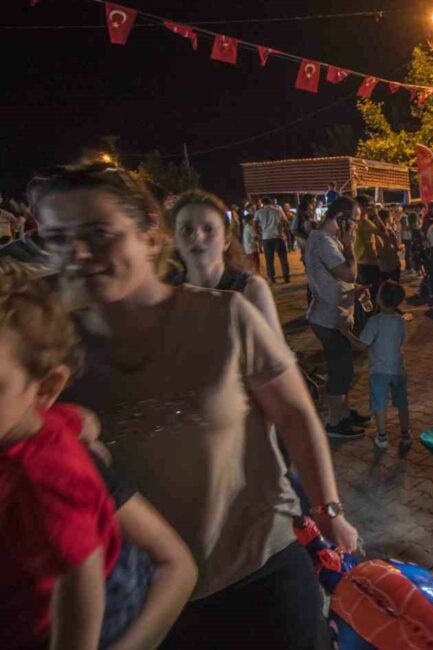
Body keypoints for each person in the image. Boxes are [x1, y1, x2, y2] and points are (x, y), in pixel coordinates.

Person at [31, 164, 360, 649]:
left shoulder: (225, 316)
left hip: (261, 568)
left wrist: (328, 508)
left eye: (99, 234)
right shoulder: (50, 355)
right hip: (152, 598)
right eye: (58, 237)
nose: (78, 254)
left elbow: (294, 414)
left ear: (147, 233)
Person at [0, 262, 196, 650]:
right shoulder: (22, 422)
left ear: (45, 388)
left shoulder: (46, 478)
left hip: (93, 612)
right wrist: (84, 426)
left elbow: (80, 580)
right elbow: (77, 420)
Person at [306, 197, 372, 439]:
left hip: (330, 312)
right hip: (328, 317)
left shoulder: (321, 238)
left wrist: (351, 291)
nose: (355, 227)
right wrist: (350, 246)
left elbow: (334, 281)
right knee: (341, 371)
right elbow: (347, 272)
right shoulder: (325, 242)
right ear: (341, 219)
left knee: (343, 368)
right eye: (353, 221)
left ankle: (343, 413)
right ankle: (334, 421)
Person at [167, 191, 280, 332]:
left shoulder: (250, 290)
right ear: (175, 240)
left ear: (226, 240)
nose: (197, 236)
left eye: (208, 229)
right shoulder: (168, 296)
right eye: (186, 229)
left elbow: (275, 350)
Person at [357, 281, 411, 452]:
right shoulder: (400, 321)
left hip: (379, 371)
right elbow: (402, 340)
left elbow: (361, 344)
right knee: (402, 403)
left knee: (379, 404)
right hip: (397, 368)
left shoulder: (374, 322)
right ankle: (405, 434)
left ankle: (382, 437)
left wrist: (345, 333)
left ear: (379, 299)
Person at [255, 196, 291, 284]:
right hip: (278, 237)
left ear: (263, 203)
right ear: (271, 202)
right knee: (283, 258)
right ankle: (286, 277)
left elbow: (255, 224)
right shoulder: (278, 211)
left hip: (266, 238)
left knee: (269, 259)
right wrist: (282, 229)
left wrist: (259, 234)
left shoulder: (258, 212)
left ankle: (272, 277)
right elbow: (286, 222)